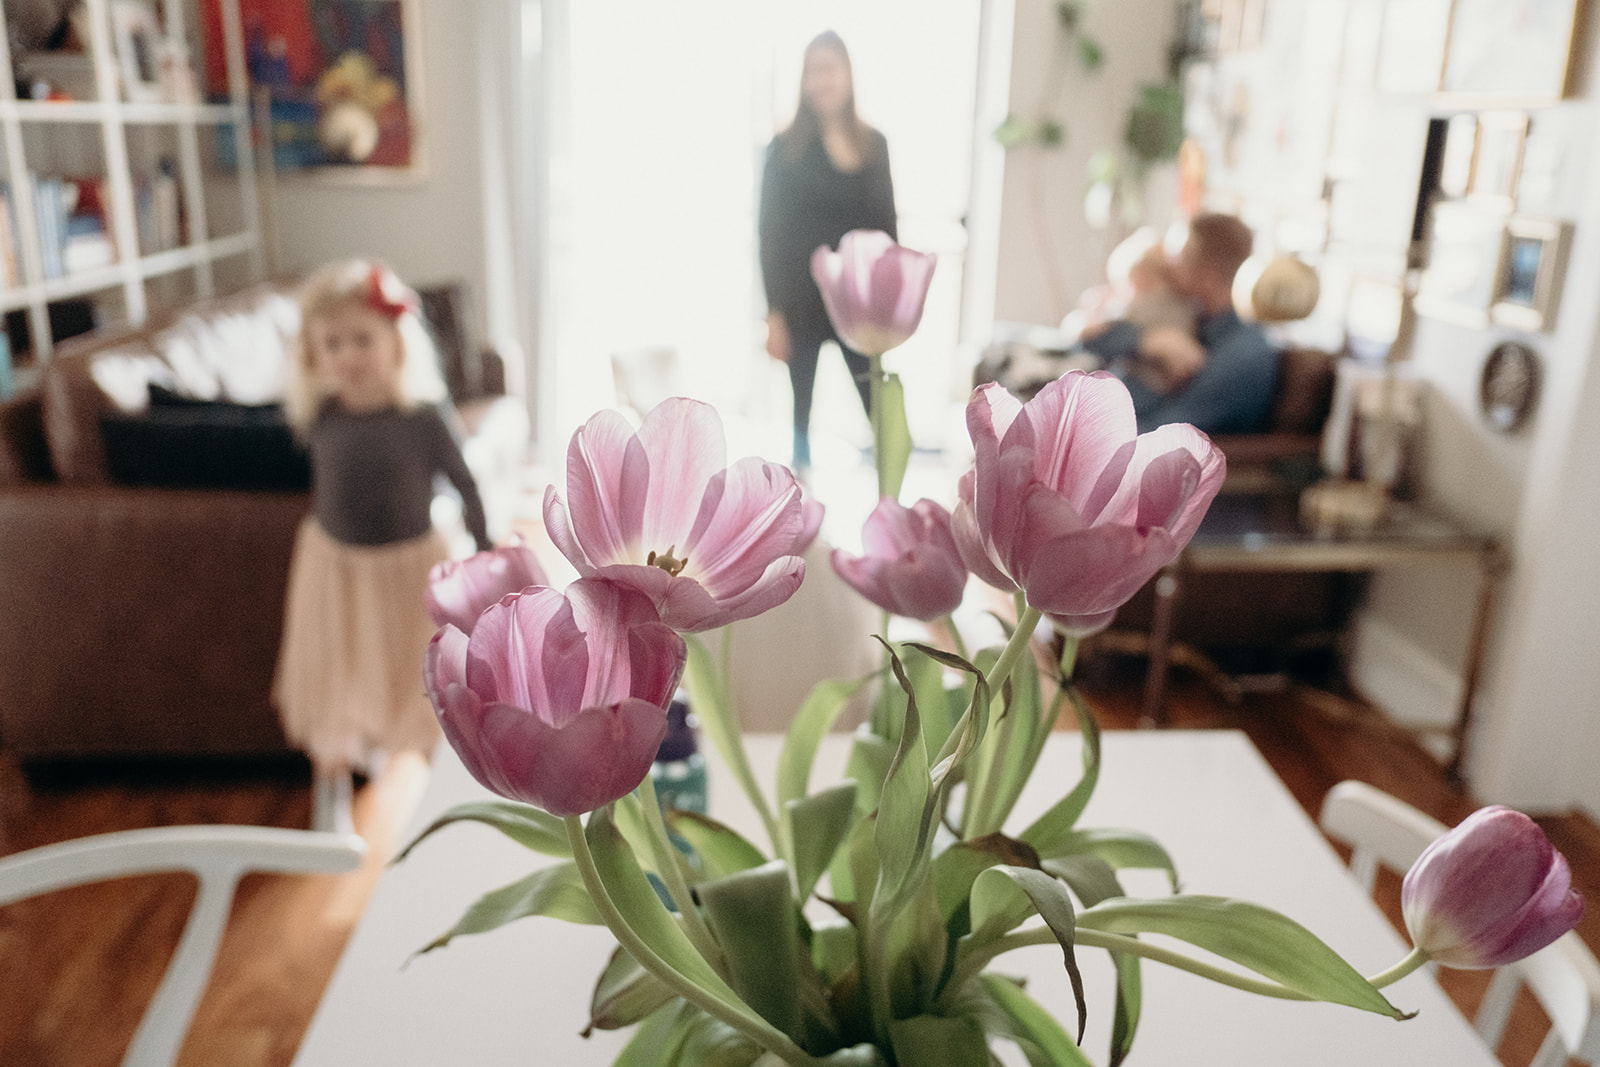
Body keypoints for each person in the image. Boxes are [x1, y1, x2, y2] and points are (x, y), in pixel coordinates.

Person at [273, 259, 492, 832]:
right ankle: (333, 785)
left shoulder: (422, 417)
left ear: (396, 343)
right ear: (312, 355)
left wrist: (487, 550)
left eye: (361, 340)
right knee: (336, 678)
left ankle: (436, 792)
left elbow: (465, 484)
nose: (347, 356)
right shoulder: (319, 415)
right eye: (332, 344)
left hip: (412, 569)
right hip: (336, 570)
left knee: (418, 679)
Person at [758, 30, 897, 470]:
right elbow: (770, 235)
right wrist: (773, 313)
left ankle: (890, 503)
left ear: (847, 75)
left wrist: (888, 307)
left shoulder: (874, 145)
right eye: (812, 71)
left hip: (858, 303)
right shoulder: (783, 149)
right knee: (801, 415)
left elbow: (888, 229)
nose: (820, 81)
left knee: (878, 407)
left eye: (829, 70)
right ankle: (801, 498)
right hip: (800, 302)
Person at [1080, 213, 1277, 436]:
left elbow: (1165, 434)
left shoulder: (1243, 354)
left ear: (1209, 280)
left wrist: (1086, 431)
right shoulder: (1187, 319)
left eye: (1177, 259)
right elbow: (1084, 340)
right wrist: (1149, 340)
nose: (1165, 267)